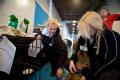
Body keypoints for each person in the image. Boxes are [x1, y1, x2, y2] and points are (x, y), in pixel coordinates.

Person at [69, 11, 120, 80]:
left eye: (87, 29)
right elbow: (77, 48)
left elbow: (111, 61)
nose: (84, 33)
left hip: (110, 69)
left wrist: (88, 75)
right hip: (94, 67)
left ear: (94, 26)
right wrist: (72, 60)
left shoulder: (110, 36)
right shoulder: (85, 36)